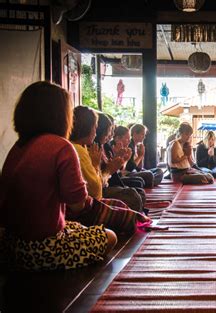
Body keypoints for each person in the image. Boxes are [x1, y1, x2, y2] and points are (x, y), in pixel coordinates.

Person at [0, 81, 116, 271]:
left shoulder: (18, 146)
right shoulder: (61, 146)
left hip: (10, 243)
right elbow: (77, 204)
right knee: (110, 236)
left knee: (79, 228)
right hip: (39, 248)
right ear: (61, 115)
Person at [69, 106, 150, 234]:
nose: (111, 135)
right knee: (132, 198)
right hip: (85, 208)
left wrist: (120, 161)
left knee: (136, 191)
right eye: (109, 130)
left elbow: (121, 171)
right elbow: (96, 191)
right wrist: (101, 167)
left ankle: (134, 217)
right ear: (88, 128)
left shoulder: (84, 147)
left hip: (92, 199)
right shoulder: (79, 149)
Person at [95, 113, 146, 213]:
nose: (111, 135)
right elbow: (124, 170)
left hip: (110, 181)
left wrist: (124, 159)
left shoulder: (105, 147)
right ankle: (135, 217)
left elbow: (123, 169)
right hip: (104, 187)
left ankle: (137, 215)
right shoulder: (94, 148)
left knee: (139, 190)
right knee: (134, 193)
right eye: (109, 131)